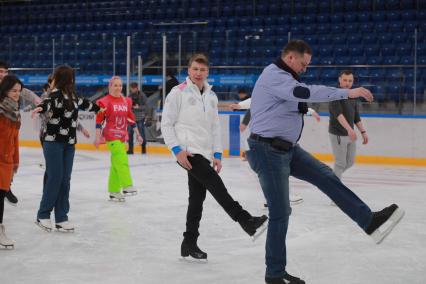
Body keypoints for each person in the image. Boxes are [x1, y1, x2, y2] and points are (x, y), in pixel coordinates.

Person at [246, 40, 404, 284]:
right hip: (266, 151)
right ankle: (274, 274)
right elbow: (306, 93)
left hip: (287, 149)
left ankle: (369, 221)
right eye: (303, 64)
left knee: (326, 176)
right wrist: (347, 93)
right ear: (290, 58)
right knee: (280, 212)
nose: (305, 69)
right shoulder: (274, 75)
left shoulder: (288, 77)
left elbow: (295, 102)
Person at [161, 53, 268, 262]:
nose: (199, 73)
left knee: (197, 199)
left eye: (202, 70)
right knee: (216, 185)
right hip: (188, 152)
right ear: (188, 71)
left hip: (205, 152)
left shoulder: (211, 95)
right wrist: (177, 150)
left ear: (207, 71)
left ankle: (189, 242)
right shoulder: (177, 93)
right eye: (195, 69)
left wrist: (217, 153)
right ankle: (245, 220)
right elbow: (166, 124)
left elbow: (214, 127)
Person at [31, 65, 101, 232]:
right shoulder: (54, 95)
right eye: (70, 78)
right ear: (66, 79)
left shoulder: (74, 96)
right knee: (55, 177)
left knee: (65, 180)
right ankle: (43, 214)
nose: (72, 81)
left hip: (69, 143)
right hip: (53, 141)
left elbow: (87, 105)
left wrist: (102, 108)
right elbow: (46, 104)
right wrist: (40, 108)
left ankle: (61, 217)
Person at [229, 98, 321, 207]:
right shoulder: (270, 94)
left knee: (275, 171)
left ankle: (272, 198)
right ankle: (280, 197)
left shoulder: (280, 97)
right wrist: (240, 106)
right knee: (277, 169)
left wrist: (310, 111)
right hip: (270, 140)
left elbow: (296, 106)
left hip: (274, 139)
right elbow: (255, 100)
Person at [94, 76, 143, 201]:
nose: (118, 88)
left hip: (121, 136)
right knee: (122, 159)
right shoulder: (104, 102)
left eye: (120, 85)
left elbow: (131, 119)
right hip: (111, 136)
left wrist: (138, 133)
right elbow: (99, 121)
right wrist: (97, 137)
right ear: (110, 86)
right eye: (115, 85)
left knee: (115, 165)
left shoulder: (126, 101)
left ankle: (114, 191)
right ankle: (127, 185)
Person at [0, 60, 42, 206]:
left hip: (9, 132)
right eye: (0, 71)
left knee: (8, 162)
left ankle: (7, 187)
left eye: (5, 71)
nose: (3, 74)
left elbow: (25, 92)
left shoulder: (12, 86)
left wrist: (37, 99)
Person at [329, 70, 368, 180]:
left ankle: (330, 178)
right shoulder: (335, 95)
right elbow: (339, 115)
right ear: (339, 80)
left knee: (350, 162)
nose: (347, 83)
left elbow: (356, 116)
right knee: (340, 163)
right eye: (345, 80)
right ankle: (335, 186)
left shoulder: (352, 95)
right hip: (338, 134)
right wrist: (350, 130)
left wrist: (363, 132)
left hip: (350, 134)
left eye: (350, 80)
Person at [0, 75, 23, 249]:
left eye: (19, 91)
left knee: (1, 194)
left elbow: (15, 139)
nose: (17, 94)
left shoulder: (15, 112)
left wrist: (15, 160)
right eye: (14, 90)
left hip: (7, 159)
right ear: (6, 90)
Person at [127, 82, 149, 154]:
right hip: (131, 117)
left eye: (134, 88)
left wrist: (138, 107)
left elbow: (146, 106)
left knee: (141, 133)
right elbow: (126, 106)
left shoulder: (142, 95)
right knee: (130, 133)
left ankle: (143, 149)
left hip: (140, 117)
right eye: (131, 88)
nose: (133, 90)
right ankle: (130, 149)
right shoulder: (129, 96)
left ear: (137, 88)